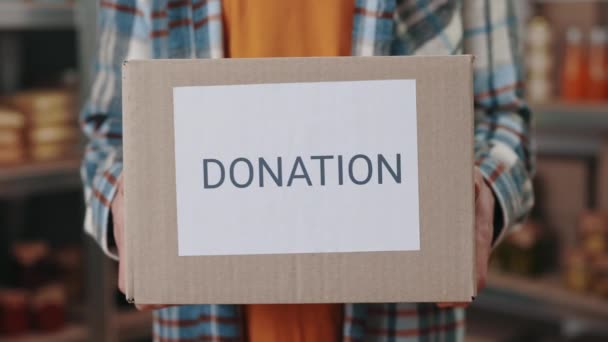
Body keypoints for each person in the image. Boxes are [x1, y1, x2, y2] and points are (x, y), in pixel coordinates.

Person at [81, 0, 534, 341]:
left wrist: (482, 198)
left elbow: (502, 115)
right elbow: (112, 131)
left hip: (402, 324)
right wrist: (124, 203)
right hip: (202, 325)